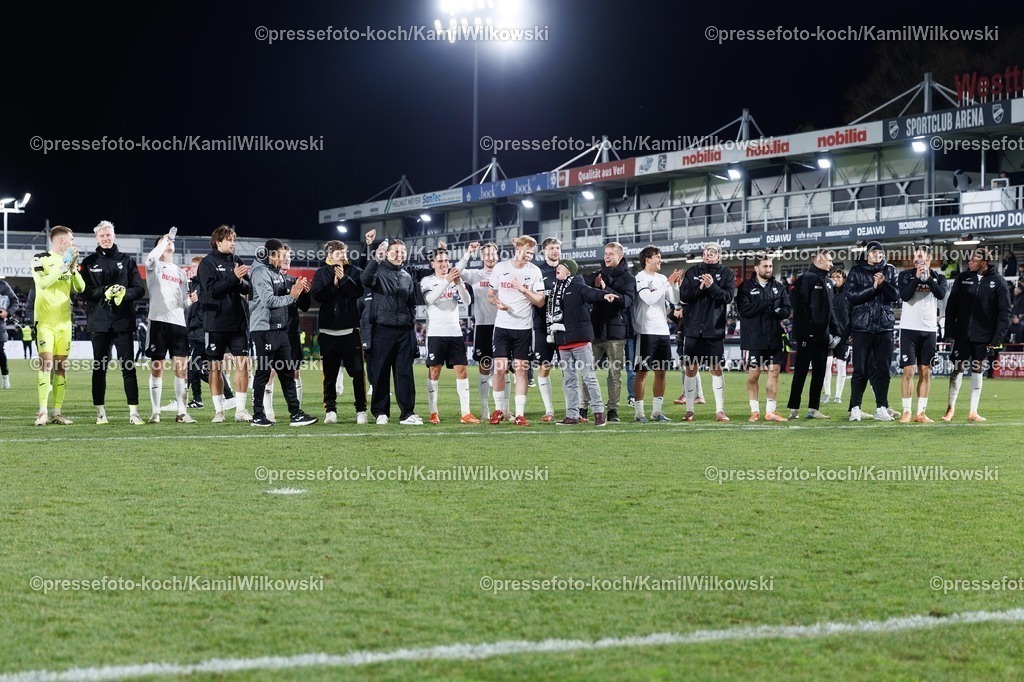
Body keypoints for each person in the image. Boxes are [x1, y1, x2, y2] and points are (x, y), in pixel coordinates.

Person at [80, 220, 146, 425]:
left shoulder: (127, 261)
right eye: (102, 236)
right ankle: (100, 413)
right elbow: (84, 291)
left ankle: (134, 413)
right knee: (99, 367)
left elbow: (139, 290)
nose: (106, 238)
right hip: (98, 322)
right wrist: (104, 291)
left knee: (128, 366)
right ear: (96, 238)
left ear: (114, 236)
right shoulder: (89, 262)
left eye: (109, 235)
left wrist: (123, 293)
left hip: (123, 321)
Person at [248, 239, 317, 427]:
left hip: (280, 330)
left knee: (287, 373)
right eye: (281, 256)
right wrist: (292, 296)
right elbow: (268, 301)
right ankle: (258, 415)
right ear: (271, 255)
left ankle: (295, 413)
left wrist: (298, 292)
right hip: (264, 330)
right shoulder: (261, 272)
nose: (283, 259)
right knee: (263, 373)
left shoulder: (275, 272)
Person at [942, 247, 1011, 421]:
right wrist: (950, 331)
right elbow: (951, 306)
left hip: (985, 337)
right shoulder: (962, 278)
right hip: (962, 335)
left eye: (973, 260)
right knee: (957, 369)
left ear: (984, 263)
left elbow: (1005, 312)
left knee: (977, 369)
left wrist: (997, 338)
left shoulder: (999, 282)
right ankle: (950, 409)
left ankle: (973, 411)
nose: (969, 262)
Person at [546, 259, 619, 425]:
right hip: (562, 341)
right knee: (569, 380)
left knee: (589, 377)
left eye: (561, 267)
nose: (557, 268)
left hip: (579, 340)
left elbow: (591, 293)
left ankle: (599, 413)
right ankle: (572, 415)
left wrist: (604, 294)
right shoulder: (555, 289)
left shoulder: (578, 286)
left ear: (569, 271)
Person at [361, 239, 422, 425]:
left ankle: (407, 413)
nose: (400, 254)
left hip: (404, 330)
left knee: (405, 372)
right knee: (380, 372)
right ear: (386, 253)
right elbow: (365, 280)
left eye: (403, 251)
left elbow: (412, 303)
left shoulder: (407, 276)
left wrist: (411, 322)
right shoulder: (377, 270)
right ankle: (380, 412)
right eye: (395, 251)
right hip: (382, 328)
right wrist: (374, 260)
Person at [487, 236, 546, 426]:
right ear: (517, 248)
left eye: (532, 253)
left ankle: (520, 414)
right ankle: (498, 410)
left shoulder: (534, 271)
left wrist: (523, 290)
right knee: (499, 369)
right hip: (502, 326)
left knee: (521, 371)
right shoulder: (501, 268)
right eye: (527, 251)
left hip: (523, 328)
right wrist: (497, 303)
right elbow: (490, 294)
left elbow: (540, 301)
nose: (529, 256)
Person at [198, 225, 253, 423]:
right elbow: (211, 290)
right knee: (215, 367)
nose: (233, 244)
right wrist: (234, 278)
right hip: (215, 323)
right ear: (218, 242)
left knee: (243, 364)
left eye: (234, 240)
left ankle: (240, 409)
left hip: (238, 322)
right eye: (229, 240)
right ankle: (219, 411)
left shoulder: (236, 261)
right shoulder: (206, 263)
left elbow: (248, 288)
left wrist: (239, 282)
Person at [31, 226, 85, 425]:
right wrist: (62, 267)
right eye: (71, 239)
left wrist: (72, 269)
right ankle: (42, 412)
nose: (73, 242)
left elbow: (81, 288)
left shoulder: (70, 261)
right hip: (45, 321)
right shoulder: (40, 258)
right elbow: (43, 283)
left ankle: (57, 412)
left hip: (64, 322)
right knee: (46, 365)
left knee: (61, 368)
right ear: (62, 240)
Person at [311, 240, 368, 424]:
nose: (342, 256)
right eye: (338, 253)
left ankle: (361, 410)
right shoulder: (320, 273)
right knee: (329, 375)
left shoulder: (354, 271)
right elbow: (318, 297)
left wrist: (343, 279)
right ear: (329, 255)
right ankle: (330, 410)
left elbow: (357, 292)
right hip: (328, 332)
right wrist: (333, 284)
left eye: (343, 253)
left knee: (358, 372)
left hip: (351, 330)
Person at [679, 242, 736, 422]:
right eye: (706, 252)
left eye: (712, 253)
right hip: (693, 329)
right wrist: (700, 288)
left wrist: (712, 286)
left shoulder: (727, 273)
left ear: (719, 256)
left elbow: (727, 297)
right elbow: (684, 296)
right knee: (690, 368)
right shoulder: (692, 272)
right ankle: (689, 410)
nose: (708, 255)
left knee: (716, 368)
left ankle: (720, 410)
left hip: (714, 329)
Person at [143, 232, 197, 424]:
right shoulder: (154, 265)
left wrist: (190, 301)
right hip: (158, 321)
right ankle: (155, 412)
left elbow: (183, 303)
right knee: (157, 368)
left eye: (170, 242)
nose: (169, 244)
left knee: (181, 369)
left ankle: (182, 412)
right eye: (165, 242)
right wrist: (163, 240)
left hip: (178, 324)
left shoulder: (181, 272)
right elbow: (150, 257)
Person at [421, 248, 478, 423]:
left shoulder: (454, 280)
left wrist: (459, 283)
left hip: (454, 332)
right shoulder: (427, 281)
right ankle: (433, 412)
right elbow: (430, 299)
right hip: (436, 333)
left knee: (462, 371)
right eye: (440, 261)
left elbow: (467, 301)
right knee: (434, 371)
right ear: (433, 264)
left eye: (446, 260)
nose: (444, 264)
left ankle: (466, 413)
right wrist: (447, 281)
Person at [845, 241, 899, 422]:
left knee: (883, 369)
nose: (878, 255)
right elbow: (851, 297)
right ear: (867, 254)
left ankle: (882, 407)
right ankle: (855, 407)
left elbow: (896, 296)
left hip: (884, 326)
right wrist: (873, 287)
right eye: (874, 252)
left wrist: (883, 284)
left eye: (880, 252)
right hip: (862, 326)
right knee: (860, 369)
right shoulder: (856, 271)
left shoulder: (890, 270)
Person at [582, 241, 636, 423]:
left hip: (616, 333)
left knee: (615, 374)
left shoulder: (628, 278)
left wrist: (606, 289)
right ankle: (583, 407)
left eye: (611, 253)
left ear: (619, 257)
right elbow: (583, 290)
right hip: (595, 331)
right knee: (588, 371)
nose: (606, 256)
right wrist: (595, 286)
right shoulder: (596, 274)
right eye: (605, 253)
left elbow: (626, 301)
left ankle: (612, 409)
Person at [736, 252, 791, 422]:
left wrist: (779, 311)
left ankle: (770, 411)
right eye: (765, 266)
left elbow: (787, 310)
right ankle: (754, 410)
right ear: (756, 268)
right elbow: (744, 310)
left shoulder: (779, 287)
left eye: (770, 266)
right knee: (754, 374)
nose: (769, 269)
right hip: (754, 338)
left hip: (774, 336)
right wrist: (767, 303)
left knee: (774, 373)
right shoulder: (745, 287)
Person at [896, 245, 948, 423]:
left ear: (929, 260)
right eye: (917, 257)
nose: (919, 261)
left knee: (925, 372)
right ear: (913, 260)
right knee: (908, 371)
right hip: (909, 329)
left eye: (923, 258)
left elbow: (941, 294)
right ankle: (907, 411)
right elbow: (904, 295)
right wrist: (917, 278)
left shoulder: (939, 277)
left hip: (929, 330)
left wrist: (928, 279)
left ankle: (921, 412)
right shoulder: (905, 275)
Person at [260, 244, 311, 422]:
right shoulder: (268, 278)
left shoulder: (293, 280)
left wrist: (304, 293)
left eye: (290, 257)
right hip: (272, 332)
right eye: (285, 256)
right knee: (270, 373)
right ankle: (267, 411)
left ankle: (297, 411)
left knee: (294, 372)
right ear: (275, 257)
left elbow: (304, 307)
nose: (287, 259)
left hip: (291, 333)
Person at [632, 246, 682, 422]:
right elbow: (649, 299)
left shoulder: (661, 278)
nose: (660, 260)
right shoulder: (640, 278)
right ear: (648, 260)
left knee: (661, 371)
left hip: (662, 331)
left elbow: (675, 300)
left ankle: (657, 412)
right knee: (642, 371)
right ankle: (639, 413)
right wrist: (667, 283)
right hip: (645, 330)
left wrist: (675, 284)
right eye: (658, 257)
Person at [454, 241, 503, 419]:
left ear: (497, 256)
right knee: (485, 366)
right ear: (482, 256)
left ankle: (503, 409)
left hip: (504, 326)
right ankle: (485, 408)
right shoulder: (475, 275)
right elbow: (456, 271)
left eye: (493, 254)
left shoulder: (504, 272)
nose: (490, 257)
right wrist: (468, 253)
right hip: (483, 326)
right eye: (487, 254)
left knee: (502, 367)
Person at [786, 249, 836, 419]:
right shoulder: (805, 279)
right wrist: (809, 333)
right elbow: (800, 309)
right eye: (829, 260)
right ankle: (794, 408)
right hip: (807, 337)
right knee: (800, 372)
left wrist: (835, 331)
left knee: (820, 373)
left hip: (823, 336)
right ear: (819, 260)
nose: (831, 263)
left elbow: (831, 310)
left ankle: (813, 409)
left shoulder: (828, 282)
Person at [531, 238, 562, 422]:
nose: (555, 251)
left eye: (557, 248)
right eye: (551, 248)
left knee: (569, 368)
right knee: (544, 366)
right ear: (544, 251)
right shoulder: (537, 271)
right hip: (542, 325)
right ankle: (549, 410)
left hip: (564, 326)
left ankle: (573, 409)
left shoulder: (566, 269)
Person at [822, 269, 850, 405]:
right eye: (832, 277)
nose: (835, 279)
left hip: (844, 335)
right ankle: (827, 393)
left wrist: (851, 333)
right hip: (828, 333)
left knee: (841, 364)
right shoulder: (826, 293)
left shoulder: (849, 295)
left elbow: (853, 315)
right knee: (826, 364)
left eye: (838, 277)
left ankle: (838, 395)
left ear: (844, 279)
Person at [0, 275, 20, 389]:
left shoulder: (3, 285)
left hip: (0, 325)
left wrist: (7, 313)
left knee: (0, 352)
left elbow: (15, 301)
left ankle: (5, 375)